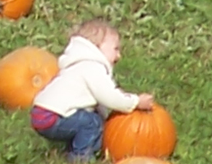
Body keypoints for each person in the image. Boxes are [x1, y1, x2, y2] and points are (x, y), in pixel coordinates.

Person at [31, 20, 154, 163]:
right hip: (52, 116)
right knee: (92, 123)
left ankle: (71, 151)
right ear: (97, 47)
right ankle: (81, 158)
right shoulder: (92, 67)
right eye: (115, 49)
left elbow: (98, 102)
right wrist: (136, 102)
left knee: (89, 119)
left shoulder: (78, 64)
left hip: (41, 113)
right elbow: (110, 97)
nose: (119, 56)